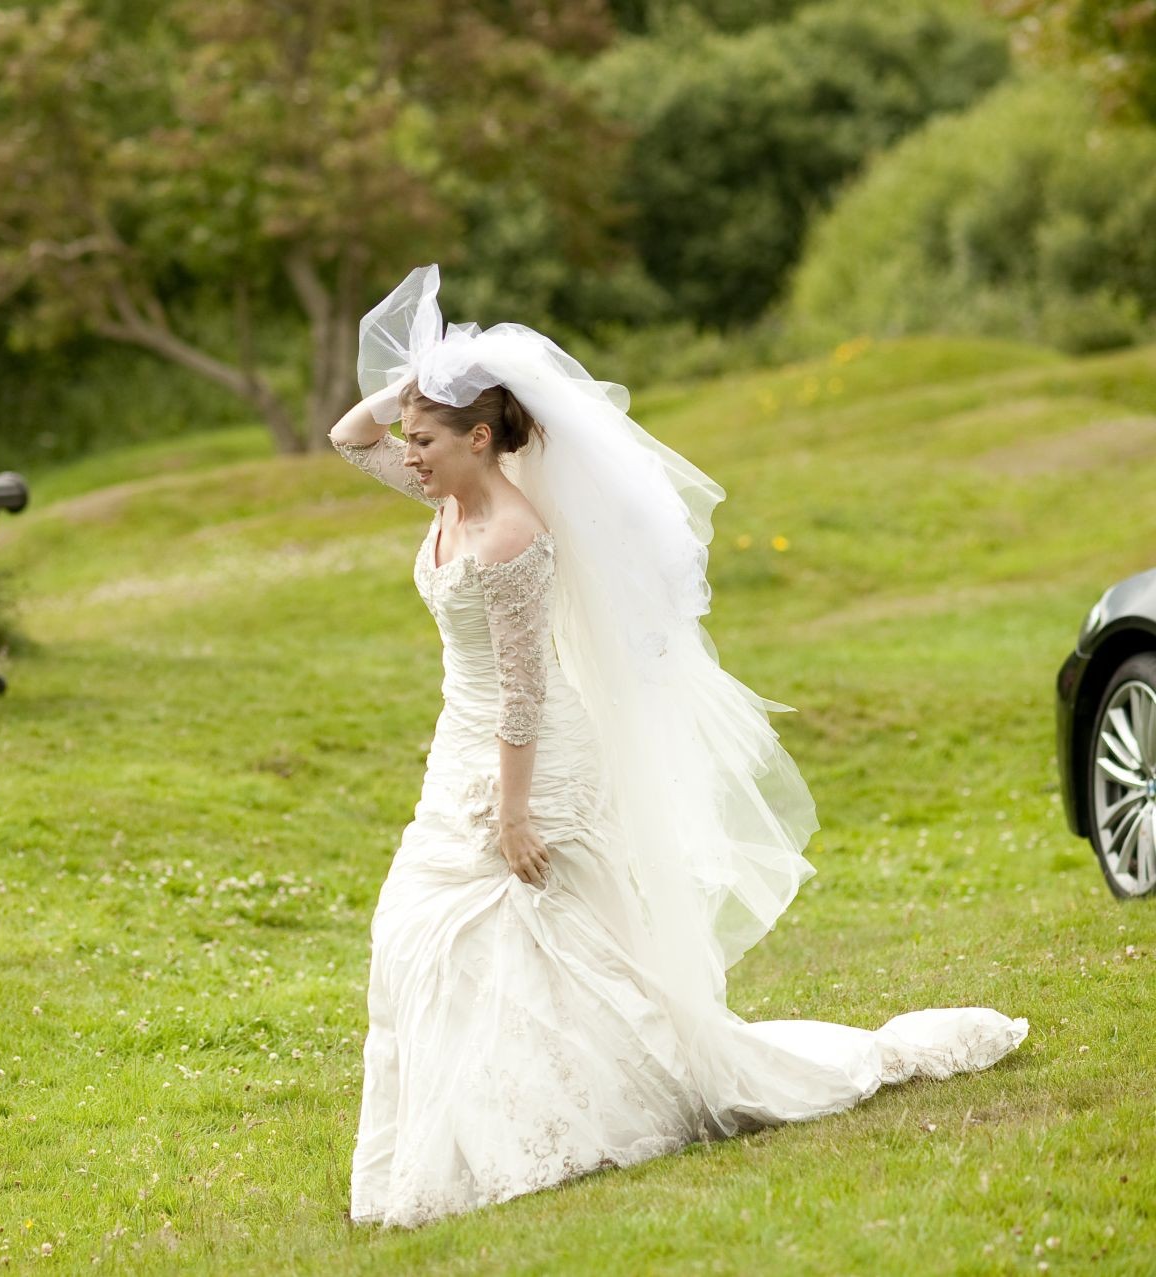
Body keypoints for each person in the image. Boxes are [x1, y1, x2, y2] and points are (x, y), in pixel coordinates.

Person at [331, 265, 1028, 1229]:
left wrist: (516, 811)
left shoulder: (509, 537)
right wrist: (431, 380)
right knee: (418, 927)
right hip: (460, 743)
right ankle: (477, 1128)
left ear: (480, 440)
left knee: (530, 929)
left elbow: (527, 696)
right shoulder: (445, 496)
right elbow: (346, 435)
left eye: (425, 439)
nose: (405, 455)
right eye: (409, 442)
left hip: (525, 754)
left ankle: (576, 1119)